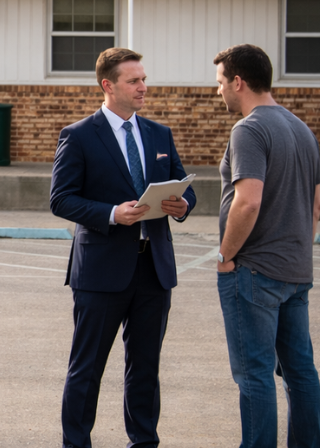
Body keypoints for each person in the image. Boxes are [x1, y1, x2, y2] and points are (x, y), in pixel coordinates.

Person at [50, 47, 196, 448]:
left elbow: (185, 187)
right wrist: (112, 213)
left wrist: (183, 204)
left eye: (144, 79)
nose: (143, 87)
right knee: (87, 369)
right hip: (100, 272)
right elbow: (60, 199)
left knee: (146, 369)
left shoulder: (159, 134)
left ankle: (144, 442)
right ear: (108, 85)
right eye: (134, 80)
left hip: (154, 271)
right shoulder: (79, 135)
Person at [212, 44, 320, 448]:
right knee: (300, 372)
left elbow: (249, 200)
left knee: (254, 375)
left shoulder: (250, 128)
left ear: (238, 82)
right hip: (296, 272)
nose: (219, 92)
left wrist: (225, 257)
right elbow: (315, 206)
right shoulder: (301, 128)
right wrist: (298, 254)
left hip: (254, 273)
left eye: (221, 83)